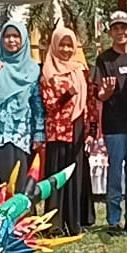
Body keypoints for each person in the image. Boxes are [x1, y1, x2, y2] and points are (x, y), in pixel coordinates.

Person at [0, 22, 45, 190]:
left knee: (15, 185)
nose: (11, 40)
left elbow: (36, 103)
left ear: (23, 39)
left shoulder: (32, 69)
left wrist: (39, 134)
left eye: (16, 36)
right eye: (7, 36)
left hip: (18, 134)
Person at [93, 10, 127, 234]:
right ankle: (113, 220)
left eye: (124, 27)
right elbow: (99, 95)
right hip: (115, 125)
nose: (120, 32)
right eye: (115, 28)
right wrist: (106, 92)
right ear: (110, 32)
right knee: (115, 172)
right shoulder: (104, 59)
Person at [41, 26, 91, 235]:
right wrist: (67, 95)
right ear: (54, 45)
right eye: (61, 44)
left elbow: (87, 101)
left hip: (77, 126)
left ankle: (75, 222)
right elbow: (49, 105)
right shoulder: (48, 71)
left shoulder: (78, 70)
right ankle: (55, 224)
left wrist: (90, 128)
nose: (66, 49)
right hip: (58, 130)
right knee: (57, 176)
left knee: (75, 174)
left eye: (70, 45)